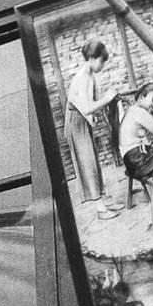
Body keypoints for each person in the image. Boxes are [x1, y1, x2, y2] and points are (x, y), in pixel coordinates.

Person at [64, 37, 121, 221]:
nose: (103, 65)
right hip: (75, 122)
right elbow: (87, 107)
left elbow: (93, 102)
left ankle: (104, 200)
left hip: (84, 120)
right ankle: (100, 209)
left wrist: (103, 101)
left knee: (95, 162)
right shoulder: (81, 78)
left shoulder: (91, 75)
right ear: (92, 58)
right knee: (87, 163)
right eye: (101, 61)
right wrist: (107, 99)